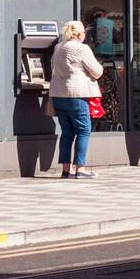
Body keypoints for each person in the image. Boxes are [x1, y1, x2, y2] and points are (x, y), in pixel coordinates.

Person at [50, 20, 105, 179]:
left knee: (67, 132)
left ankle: (66, 170)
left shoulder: (58, 47)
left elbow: (53, 66)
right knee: (83, 130)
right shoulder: (82, 48)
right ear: (79, 34)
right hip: (77, 95)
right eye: (84, 33)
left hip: (59, 95)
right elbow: (97, 71)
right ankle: (80, 168)